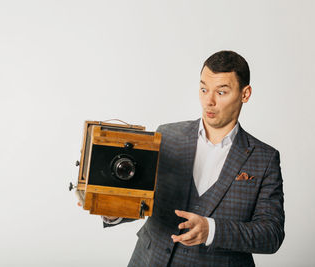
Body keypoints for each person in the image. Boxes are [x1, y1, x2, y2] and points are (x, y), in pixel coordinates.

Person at [102, 50, 285, 267]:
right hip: (150, 260)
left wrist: (213, 230)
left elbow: (271, 234)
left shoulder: (264, 158)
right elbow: (143, 199)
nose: (209, 101)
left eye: (222, 92)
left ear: (245, 94)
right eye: (204, 89)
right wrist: (113, 211)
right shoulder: (167, 136)